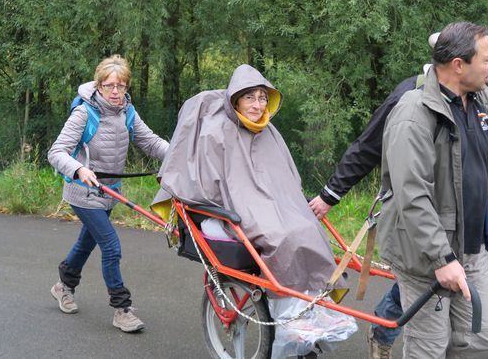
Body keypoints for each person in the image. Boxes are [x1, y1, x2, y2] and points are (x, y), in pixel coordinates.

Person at [153, 64, 355, 357]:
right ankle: (291, 322)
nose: (258, 105)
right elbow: (209, 185)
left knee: (309, 230)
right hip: (239, 209)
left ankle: (310, 313)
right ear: (235, 100)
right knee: (283, 238)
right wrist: (243, 206)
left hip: (273, 205)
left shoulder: (269, 132)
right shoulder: (215, 132)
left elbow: (285, 179)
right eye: (250, 98)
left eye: (262, 98)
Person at [379, 21, 488, 358]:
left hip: (473, 249)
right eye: (486, 59)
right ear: (458, 65)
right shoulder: (413, 115)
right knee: (429, 347)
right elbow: (412, 196)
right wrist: (441, 258)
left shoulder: (485, 107)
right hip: (425, 257)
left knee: (481, 339)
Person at [309, 35, 439, 359]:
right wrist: (329, 196)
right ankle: (384, 329)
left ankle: (392, 328)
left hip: (451, 210)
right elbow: (367, 147)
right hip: (413, 209)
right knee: (425, 277)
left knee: (440, 278)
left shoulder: (472, 102)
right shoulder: (410, 95)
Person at [48, 55, 169, 332]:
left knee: (86, 244)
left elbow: (150, 142)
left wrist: (178, 154)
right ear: (99, 85)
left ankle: (62, 285)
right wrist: (79, 170)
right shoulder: (84, 113)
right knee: (111, 247)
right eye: (109, 86)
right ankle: (121, 308)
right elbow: (56, 152)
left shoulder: (127, 111)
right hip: (83, 192)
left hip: (109, 192)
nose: (115, 92)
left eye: (121, 86)